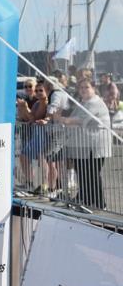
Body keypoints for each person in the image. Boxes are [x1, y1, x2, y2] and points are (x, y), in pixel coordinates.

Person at [61, 78, 112, 210]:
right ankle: (84, 199)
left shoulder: (94, 103)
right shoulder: (83, 102)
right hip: (82, 146)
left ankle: (100, 204)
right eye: (81, 87)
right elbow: (72, 116)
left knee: (92, 175)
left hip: (94, 147)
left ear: (93, 88)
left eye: (86, 87)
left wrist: (61, 119)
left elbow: (79, 119)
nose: (83, 90)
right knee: (83, 174)